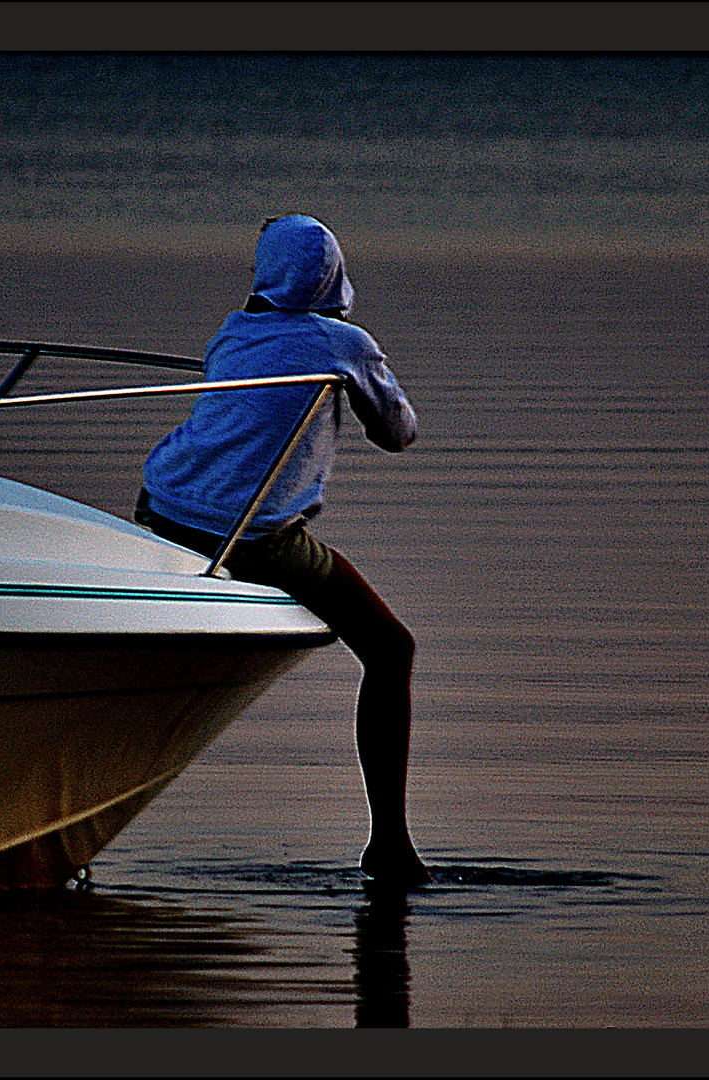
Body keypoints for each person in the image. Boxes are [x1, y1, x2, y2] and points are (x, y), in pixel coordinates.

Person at [138, 214, 433, 886]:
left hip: (162, 503)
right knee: (392, 650)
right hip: (253, 536)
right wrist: (357, 385)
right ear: (331, 276)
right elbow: (398, 434)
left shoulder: (232, 331)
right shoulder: (343, 343)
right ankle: (388, 843)